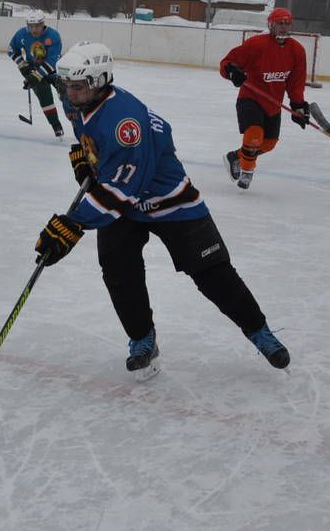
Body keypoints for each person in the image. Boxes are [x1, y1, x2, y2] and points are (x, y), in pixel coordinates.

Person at [31, 41, 290, 378]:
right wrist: (86, 160)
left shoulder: (124, 123)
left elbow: (122, 192)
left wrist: (71, 225)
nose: (70, 92)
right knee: (119, 273)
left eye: (77, 86)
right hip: (123, 200)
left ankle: (259, 332)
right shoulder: (84, 101)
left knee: (214, 274)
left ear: (100, 81)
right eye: (68, 85)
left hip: (170, 201)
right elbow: (90, 140)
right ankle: (142, 339)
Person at [219, 7, 310, 189]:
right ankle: (247, 172)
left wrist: (298, 105)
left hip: (273, 104)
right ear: (271, 25)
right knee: (254, 134)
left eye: (287, 23)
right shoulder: (257, 44)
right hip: (250, 98)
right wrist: (232, 72)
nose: (283, 27)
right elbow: (227, 62)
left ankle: (236, 157)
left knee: (268, 144)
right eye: (279, 23)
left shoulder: (297, 50)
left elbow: (296, 81)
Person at [7, 12, 67, 138]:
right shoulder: (22, 34)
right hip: (34, 68)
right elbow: (11, 49)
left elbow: (52, 61)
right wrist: (22, 65)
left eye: (37, 26)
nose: (34, 29)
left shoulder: (53, 36)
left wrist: (35, 77)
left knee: (68, 94)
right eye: (31, 26)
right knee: (44, 94)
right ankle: (56, 126)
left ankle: (77, 123)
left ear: (43, 24)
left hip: (55, 70)